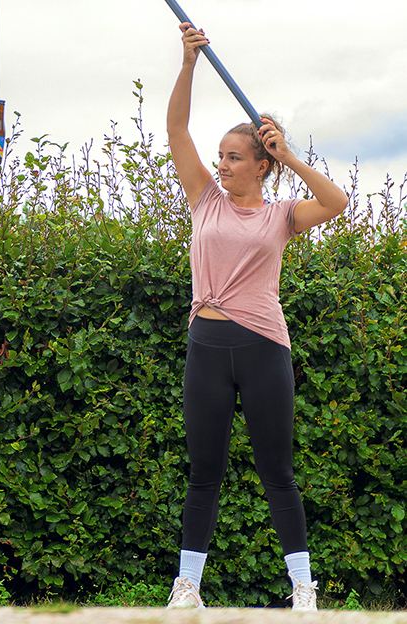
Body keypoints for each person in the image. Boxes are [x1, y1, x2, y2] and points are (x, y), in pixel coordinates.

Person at [164, 23, 348, 611]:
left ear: (262, 165)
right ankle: (187, 586)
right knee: (204, 473)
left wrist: (290, 154)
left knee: (277, 473)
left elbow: (338, 203)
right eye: (220, 156)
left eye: (235, 158)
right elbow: (175, 130)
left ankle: (302, 588)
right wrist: (189, 63)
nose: (222, 165)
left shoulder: (283, 216)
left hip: (265, 346)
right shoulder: (204, 201)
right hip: (208, 345)